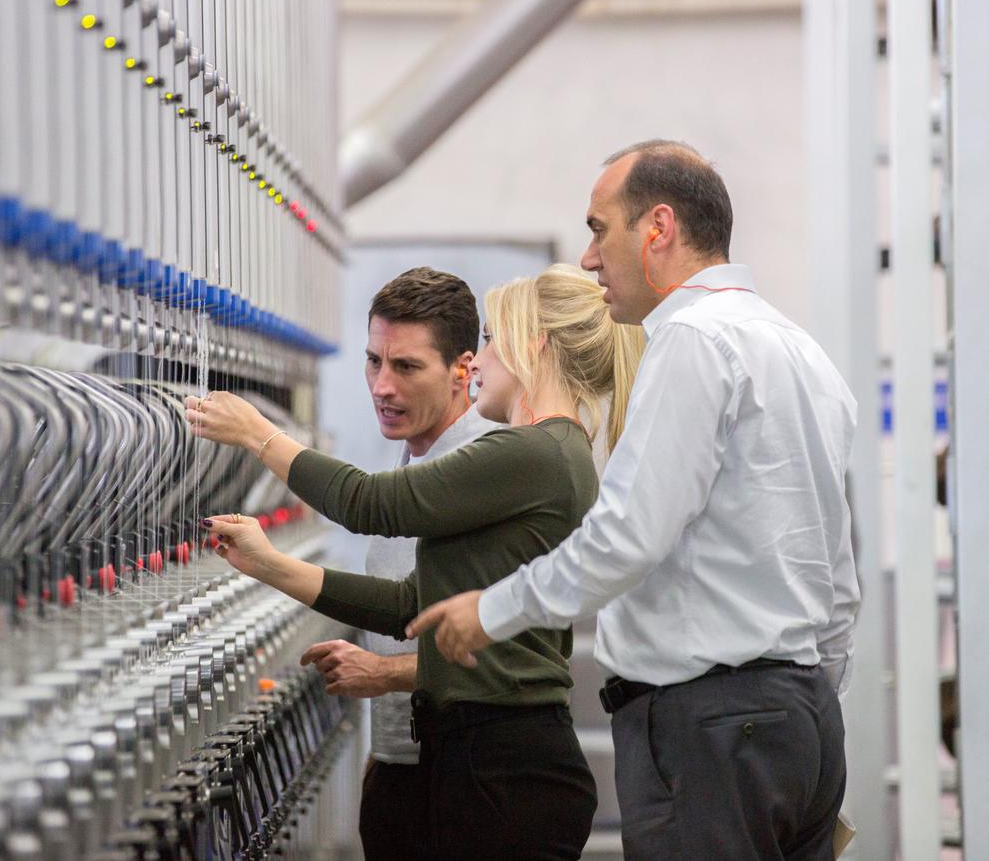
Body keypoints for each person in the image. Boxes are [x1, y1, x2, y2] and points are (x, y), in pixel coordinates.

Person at [409, 140, 861, 861]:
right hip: (803, 722)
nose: (589, 259)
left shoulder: (690, 341)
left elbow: (627, 535)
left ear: (657, 228)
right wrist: (799, 705)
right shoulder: (801, 350)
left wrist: (493, 609)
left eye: (598, 228)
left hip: (711, 733)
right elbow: (838, 572)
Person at [187, 263, 644, 861]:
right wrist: (271, 566)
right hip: (476, 756)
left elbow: (370, 502)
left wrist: (258, 433)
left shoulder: (533, 452)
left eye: (488, 343)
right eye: (374, 363)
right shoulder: (538, 452)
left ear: (533, 347)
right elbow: (413, 605)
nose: (477, 364)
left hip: (503, 766)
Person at [295, 267, 501, 858]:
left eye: (406, 367)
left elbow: (505, 652)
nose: (382, 386)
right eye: (373, 362)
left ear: (465, 367)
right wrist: (382, 762)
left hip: (470, 777)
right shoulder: (415, 469)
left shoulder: (484, 468)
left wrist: (382, 676)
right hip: (404, 764)